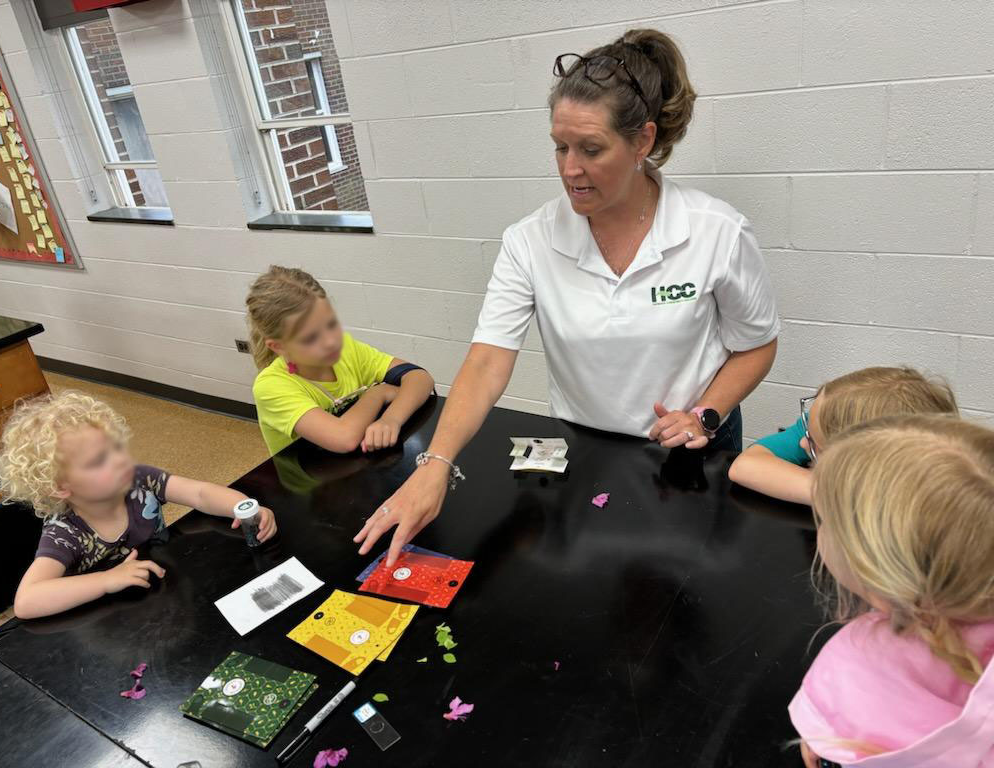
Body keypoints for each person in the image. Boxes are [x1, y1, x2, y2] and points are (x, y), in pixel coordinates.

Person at [356, 28, 779, 565]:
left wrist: (705, 415)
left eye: (591, 149)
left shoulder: (716, 231)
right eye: (560, 146)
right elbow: (487, 360)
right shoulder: (530, 241)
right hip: (588, 452)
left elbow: (757, 345)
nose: (569, 169)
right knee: (591, 585)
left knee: (682, 592)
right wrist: (435, 463)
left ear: (643, 142)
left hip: (693, 455)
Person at [791, 414, 994, 767]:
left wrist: (828, 747)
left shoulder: (864, 660)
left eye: (825, 520)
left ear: (872, 566)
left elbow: (831, 745)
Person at [0, 392, 278, 619]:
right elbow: (27, 601)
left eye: (116, 448)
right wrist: (107, 580)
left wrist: (244, 506)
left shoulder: (138, 479)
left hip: (158, 589)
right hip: (110, 618)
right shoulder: (64, 533)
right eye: (98, 460)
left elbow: (199, 493)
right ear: (60, 487)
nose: (120, 460)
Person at [247, 265, 434, 455]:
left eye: (331, 324)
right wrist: (378, 393)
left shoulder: (346, 348)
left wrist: (391, 419)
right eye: (311, 338)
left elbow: (419, 377)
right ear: (278, 347)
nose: (330, 341)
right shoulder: (270, 386)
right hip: (308, 479)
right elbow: (344, 439)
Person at [728, 367, 958, 504]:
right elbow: (746, 466)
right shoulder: (821, 423)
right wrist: (841, 493)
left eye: (815, 444)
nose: (801, 442)